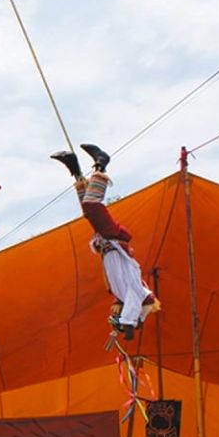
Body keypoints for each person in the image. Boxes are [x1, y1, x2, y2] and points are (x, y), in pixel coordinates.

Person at [51, 144, 159, 339]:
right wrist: (128, 329)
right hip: (114, 238)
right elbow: (134, 305)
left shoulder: (119, 291)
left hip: (107, 241)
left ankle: (75, 170)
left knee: (88, 210)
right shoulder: (136, 292)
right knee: (92, 206)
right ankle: (101, 163)